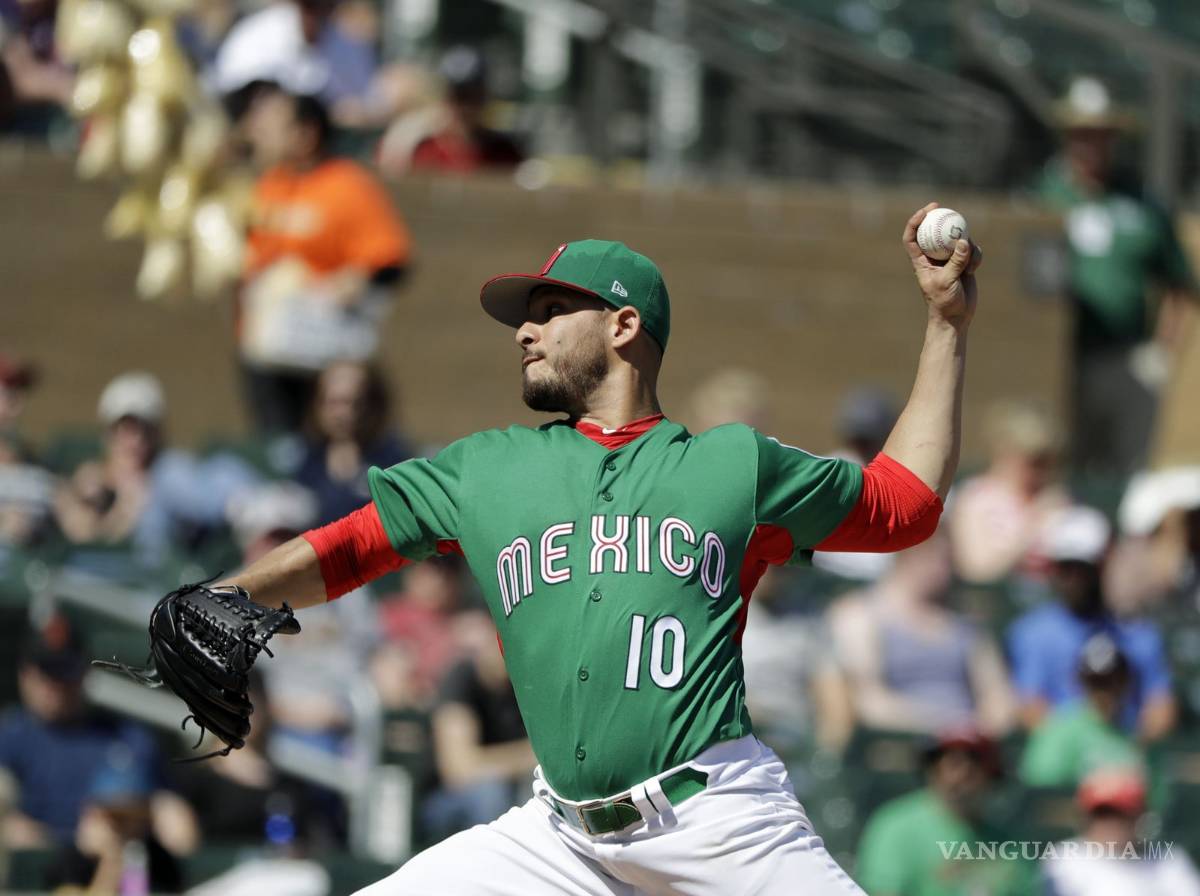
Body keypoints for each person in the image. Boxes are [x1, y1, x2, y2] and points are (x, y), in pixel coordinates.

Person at [212, 205, 981, 894]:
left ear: (622, 326)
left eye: (550, 311)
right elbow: (349, 548)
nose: (524, 330)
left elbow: (904, 507)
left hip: (716, 818)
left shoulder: (734, 465)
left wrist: (947, 324)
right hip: (556, 838)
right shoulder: (489, 467)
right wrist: (229, 601)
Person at [1036, 76, 1196, 475]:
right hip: (1061, 355)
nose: (1091, 144)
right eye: (1083, 134)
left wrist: (1163, 351)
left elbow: (1179, 281)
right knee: (1063, 462)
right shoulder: (1043, 196)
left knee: (1128, 466)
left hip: (1128, 356)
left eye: (1100, 134)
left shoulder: (1142, 202)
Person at [238, 85, 411, 434]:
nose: (263, 132)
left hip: (321, 356)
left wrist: (353, 280)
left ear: (306, 133)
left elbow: (391, 261)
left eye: (278, 124)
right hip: (267, 352)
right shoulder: (267, 185)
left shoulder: (348, 185)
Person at [53, 371, 259, 570]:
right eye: (125, 429)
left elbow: (206, 494)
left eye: (144, 430)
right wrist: (120, 510)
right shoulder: (91, 478)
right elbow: (80, 536)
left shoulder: (168, 472)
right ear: (108, 434)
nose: (135, 441)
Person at [1006, 505, 1176, 740]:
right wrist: (1082, 747)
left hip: (1126, 756)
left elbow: (1159, 707)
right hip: (1062, 761)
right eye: (1066, 568)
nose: (1074, 579)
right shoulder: (1031, 633)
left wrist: (1125, 749)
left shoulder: (1139, 634)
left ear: (1101, 566)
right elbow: (1030, 707)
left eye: (1083, 568)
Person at [828, 532, 1016, 736]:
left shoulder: (964, 625)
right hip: (898, 747)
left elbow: (999, 699)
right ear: (911, 555)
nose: (948, 571)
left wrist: (976, 729)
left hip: (968, 745)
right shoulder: (860, 615)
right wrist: (947, 727)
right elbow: (870, 703)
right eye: (941, 559)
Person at [0, 621, 170, 847]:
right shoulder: (10, 738)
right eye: (47, 672)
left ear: (83, 673)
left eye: (65, 671)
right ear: (25, 675)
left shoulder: (125, 737)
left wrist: (160, 812)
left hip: (115, 867)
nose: (57, 686)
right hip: (35, 874)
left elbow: (162, 808)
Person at [855, 730, 1036, 896]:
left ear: (991, 776)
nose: (959, 776)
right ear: (932, 770)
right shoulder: (896, 826)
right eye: (951, 763)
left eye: (973, 764)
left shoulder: (1010, 844)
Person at [424, 612, 535, 840]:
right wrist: (529, 756)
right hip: (443, 801)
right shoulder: (462, 678)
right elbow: (459, 769)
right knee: (489, 792)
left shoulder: (527, 683)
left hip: (514, 791)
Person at [948, 400, 1069, 584]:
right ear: (1006, 452)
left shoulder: (1057, 498)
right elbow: (977, 571)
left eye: (1050, 462)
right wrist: (1034, 524)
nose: (1043, 471)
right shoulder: (974, 498)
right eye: (1035, 461)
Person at [1041, 767, 1200, 895]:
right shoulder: (1065, 859)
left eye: (1120, 814)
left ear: (1139, 816)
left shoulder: (1168, 860)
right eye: (1101, 814)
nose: (1110, 823)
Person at [1019, 633, 1147, 789]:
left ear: (1126, 682)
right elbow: (1042, 797)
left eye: (1113, 680)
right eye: (1096, 681)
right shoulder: (1058, 732)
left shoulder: (1135, 734)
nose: (1105, 690)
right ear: (1080, 682)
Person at [293, 360, 413, 525]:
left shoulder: (394, 466)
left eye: (355, 403)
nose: (343, 413)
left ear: (375, 407)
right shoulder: (303, 464)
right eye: (334, 403)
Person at [45, 757, 184, 894]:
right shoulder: (72, 860)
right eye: (112, 817)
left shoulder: (159, 859)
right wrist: (111, 861)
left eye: (129, 817)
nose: (120, 828)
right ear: (90, 816)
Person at [405, 46, 524, 175]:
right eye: (457, 96)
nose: (463, 107)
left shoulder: (504, 153)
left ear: (484, 97)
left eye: (471, 96)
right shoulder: (427, 151)